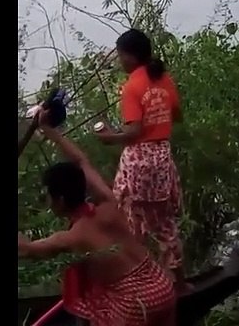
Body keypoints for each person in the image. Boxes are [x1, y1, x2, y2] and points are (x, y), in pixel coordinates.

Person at [19, 111, 177, 325]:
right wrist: (49, 131)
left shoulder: (72, 237)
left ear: (61, 201)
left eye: (48, 197)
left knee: (94, 310)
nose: (46, 201)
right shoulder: (109, 203)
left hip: (136, 305)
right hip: (162, 287)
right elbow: (81, 161)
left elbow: (26, 249)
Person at [97, 28, 186, 288]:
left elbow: (133, 131)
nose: (119, 60)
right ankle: (180, 283)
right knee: (164, 224)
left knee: (130, 225)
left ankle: (138, 288)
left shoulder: (132, 86)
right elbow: (177, 116)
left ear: (132, 57)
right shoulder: (164, 79)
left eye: (121, 55)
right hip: (161, 157)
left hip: (138, 161)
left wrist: (110, 137)